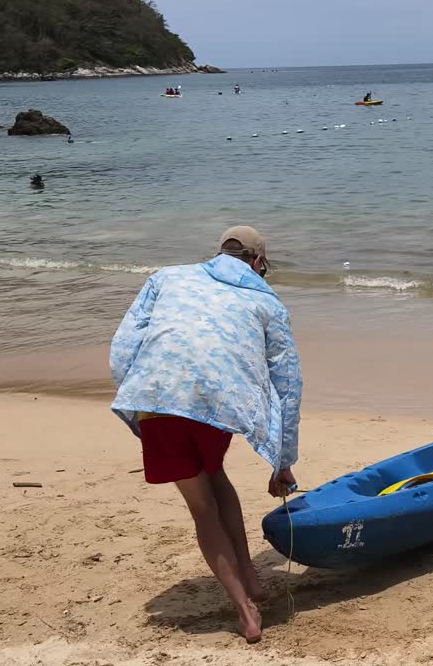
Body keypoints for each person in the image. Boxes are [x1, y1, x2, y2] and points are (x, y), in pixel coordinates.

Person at [109, 226, 302, 644]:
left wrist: (135, 402)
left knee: (202, 506)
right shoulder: (266, 299)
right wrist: (282, 459)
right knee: (215, 473)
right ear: (257, 262)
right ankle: (249, 579)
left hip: (157, 396)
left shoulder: (167, 277)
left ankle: (245, 610)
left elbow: (124, 345)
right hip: (217, 403)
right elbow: (287, 382)